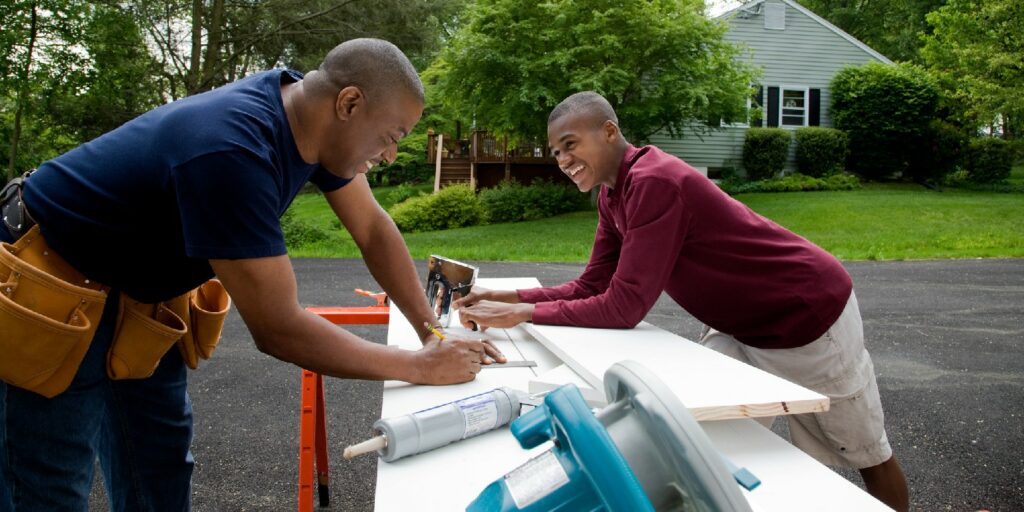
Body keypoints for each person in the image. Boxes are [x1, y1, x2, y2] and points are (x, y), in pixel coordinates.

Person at [0, 38, 504, 510]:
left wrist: (429, 331)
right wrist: (419, 366)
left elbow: (372, 228)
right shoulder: (231, 151)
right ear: (349, 104)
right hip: (50, 282)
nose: (391, 153)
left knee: (158, 465)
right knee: (47, 485)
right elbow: (278, 328)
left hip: (135, 296)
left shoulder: (308, 121)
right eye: (392, 136)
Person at [454, 91, 909, 511]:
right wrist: (509, 295)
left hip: (805, 315)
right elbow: (594, 285)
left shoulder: (656, 181)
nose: (563, 160)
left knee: (865, 450)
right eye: (556, 152)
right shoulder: (613, 197)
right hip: (739, 327)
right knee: (697, 433)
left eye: (570, 145)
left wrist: (525, 312)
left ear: (609, 132)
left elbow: (624, 307)